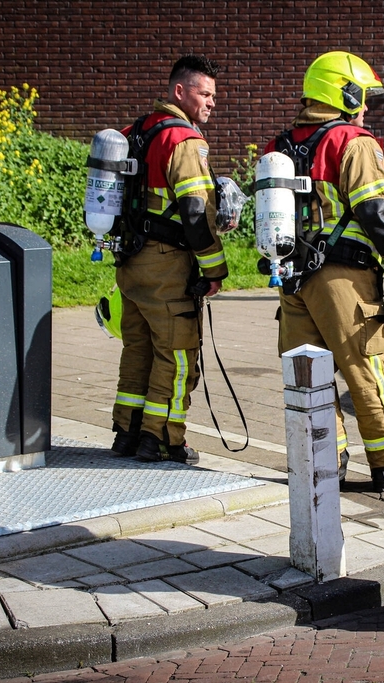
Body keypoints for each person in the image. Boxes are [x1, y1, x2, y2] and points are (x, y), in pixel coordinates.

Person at [264, 51, 384, 492]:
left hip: (292, 278)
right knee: (366, 368)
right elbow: (376, 215)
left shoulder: (280, 146)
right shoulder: (354, 142)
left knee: (308, 375)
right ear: (346, 92)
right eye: (364, 96)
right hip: (344, 279)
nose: (367, 106)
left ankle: (323, 461)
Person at [109, 55, 227, 464]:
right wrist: (214, 268)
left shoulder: (133, 132)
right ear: (180, 91)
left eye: (214, 95)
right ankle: (161, 438)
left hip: (130, 262)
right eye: (204, 93)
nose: (211, 102)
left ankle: (126, 433)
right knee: (176, 356)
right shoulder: (185, 141)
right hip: (166, 265)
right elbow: (195, 213)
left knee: (137, 351)